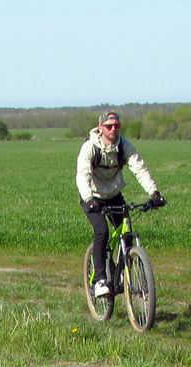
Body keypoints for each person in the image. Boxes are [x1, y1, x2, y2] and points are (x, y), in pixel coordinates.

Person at [76, 111, 164, 296]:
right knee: (102, 232)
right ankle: (100, 280)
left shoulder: (123, 145)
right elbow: (82, 175)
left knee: (127, 233)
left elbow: (139, 168)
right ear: (100, 128)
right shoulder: (90, 147)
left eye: (117, 125)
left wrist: (154, 193)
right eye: (109, 126)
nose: (113, 129)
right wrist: (89, 199)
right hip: (92, 196)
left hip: (114, 194)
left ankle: (122, 274)